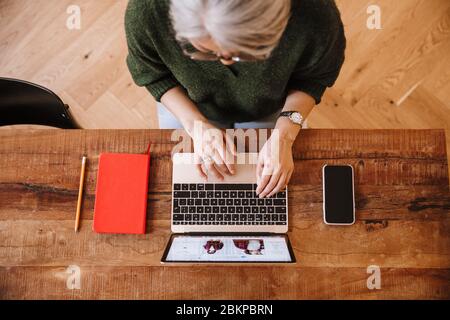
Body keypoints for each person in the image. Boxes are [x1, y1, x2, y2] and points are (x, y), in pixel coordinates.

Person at [126, 0, 346, 197]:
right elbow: (152, 74)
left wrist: (284, 135)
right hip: (185, 102)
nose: (227, 63)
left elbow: (313, 78)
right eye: (205, 51)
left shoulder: (317, 15)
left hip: (273, 105)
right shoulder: (146, 11)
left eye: (245, 53)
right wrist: (196, 124)